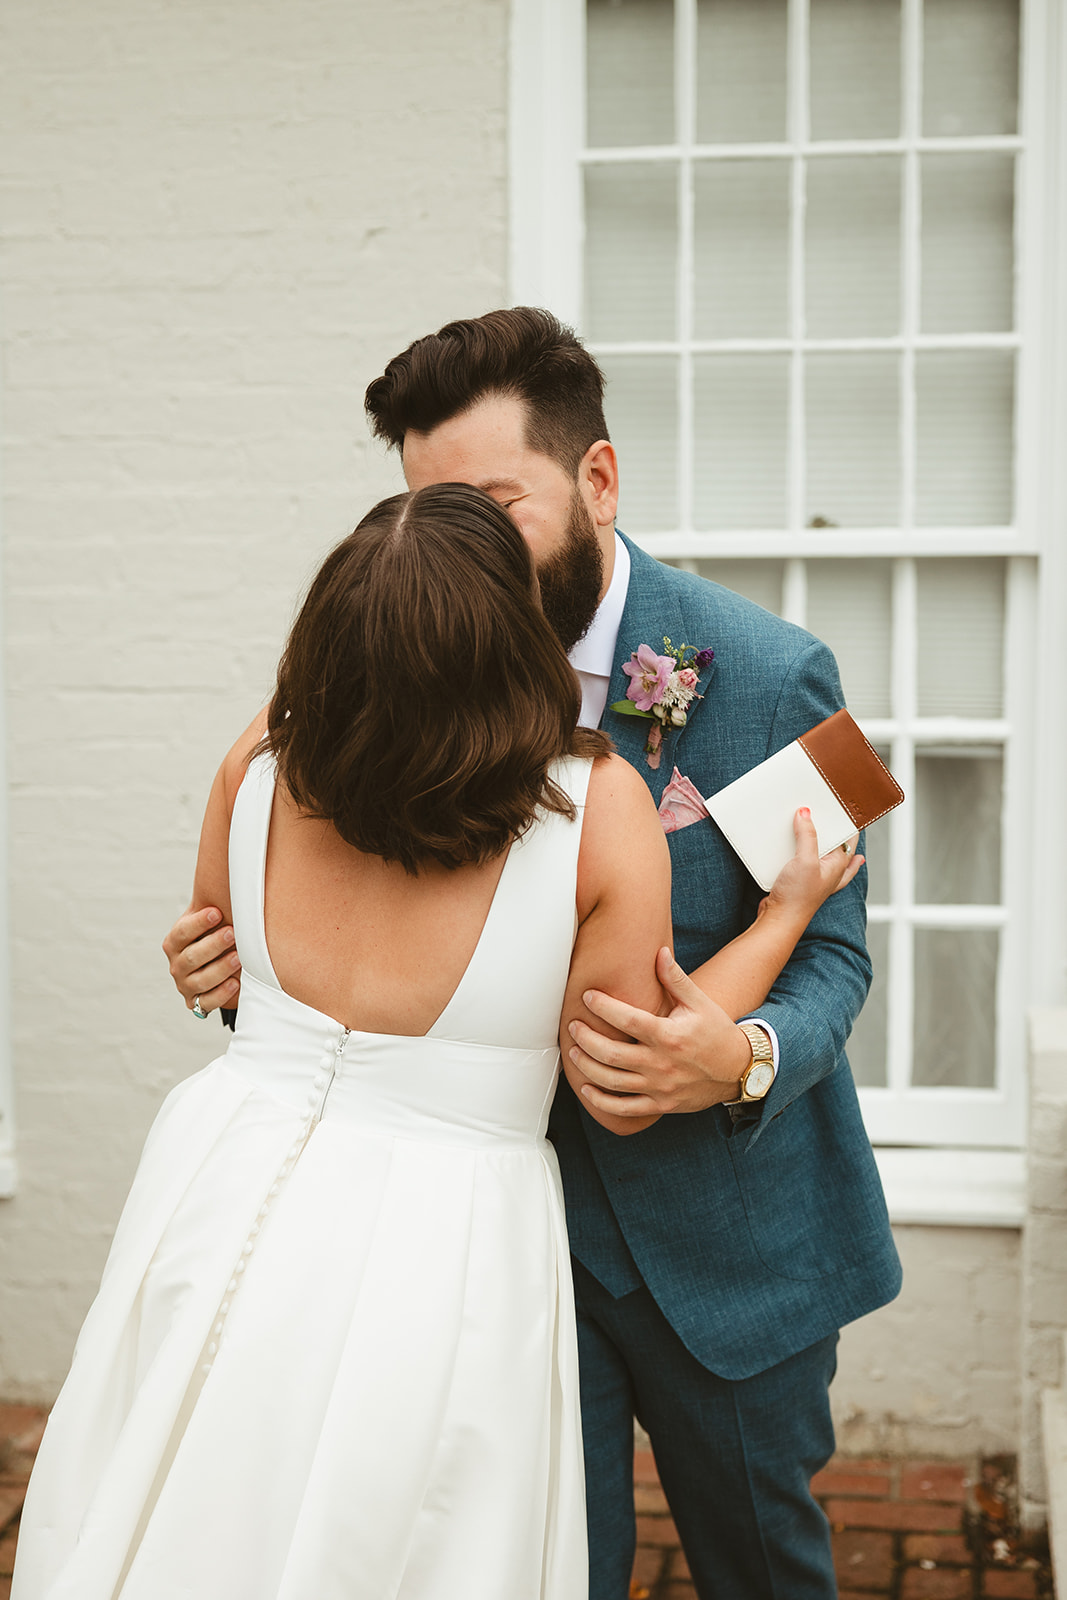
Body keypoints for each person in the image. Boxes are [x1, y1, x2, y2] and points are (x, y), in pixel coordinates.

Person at [162, 308, 903, 1600]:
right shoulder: (400, 679)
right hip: (499, 1259)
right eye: (429, 509)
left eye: (492, 506)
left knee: (765, 1570)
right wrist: (235, 962)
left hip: (729, 1250)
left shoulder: (785, 675)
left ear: (595, 480)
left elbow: (836, 947)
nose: (458, 549)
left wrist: (740, 1057)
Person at [14, 483, 857, 1600]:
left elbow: (225, 956)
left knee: (192, 1487)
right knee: (393, 1534)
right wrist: (782, 916)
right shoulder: (592, 804)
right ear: (512, 639)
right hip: (438, 1234)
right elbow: (625, 1065)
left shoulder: (256, 764)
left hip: (219, 1188)